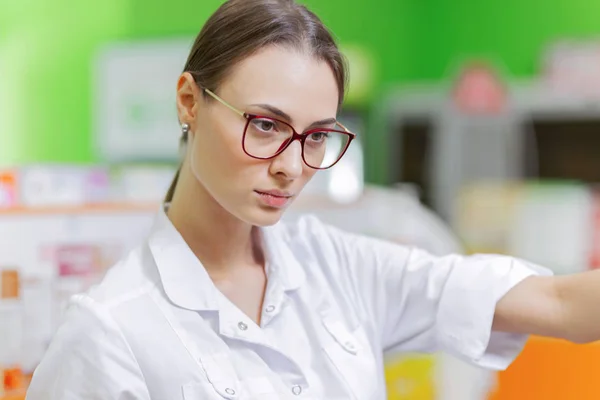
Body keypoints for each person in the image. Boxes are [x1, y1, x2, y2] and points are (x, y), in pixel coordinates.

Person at [25, 0, 600, 399]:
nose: (291, 167)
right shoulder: (107, 333)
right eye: (266, 125)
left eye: (317, 136)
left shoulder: (338, 266)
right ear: (189, 101)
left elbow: (558, 303)